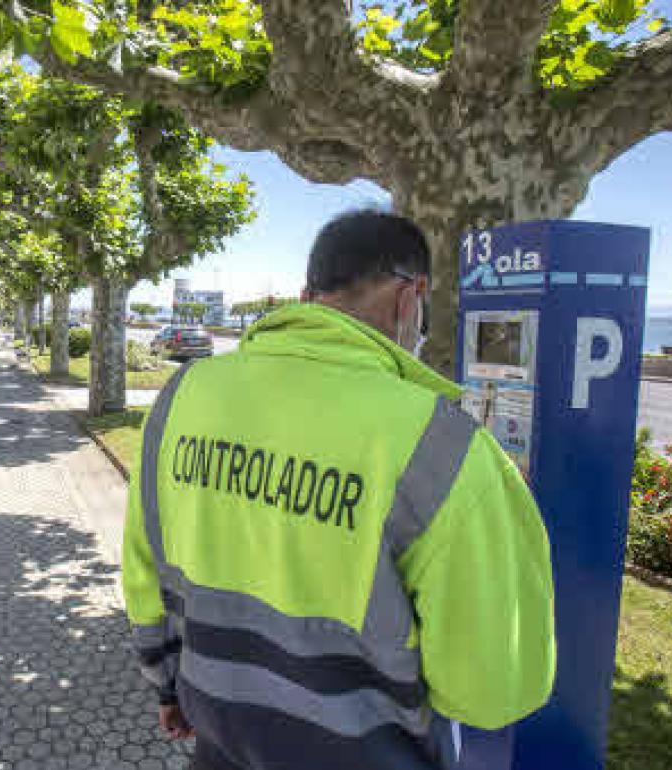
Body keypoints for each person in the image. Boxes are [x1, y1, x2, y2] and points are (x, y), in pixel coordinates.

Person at [122, 211, 556, 770]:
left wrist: (165, 684)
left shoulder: (183, 394)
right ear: (412, 298)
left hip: (219, 734)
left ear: (307, 296)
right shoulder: (445, 446)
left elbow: (142, 565)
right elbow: (491, 692)